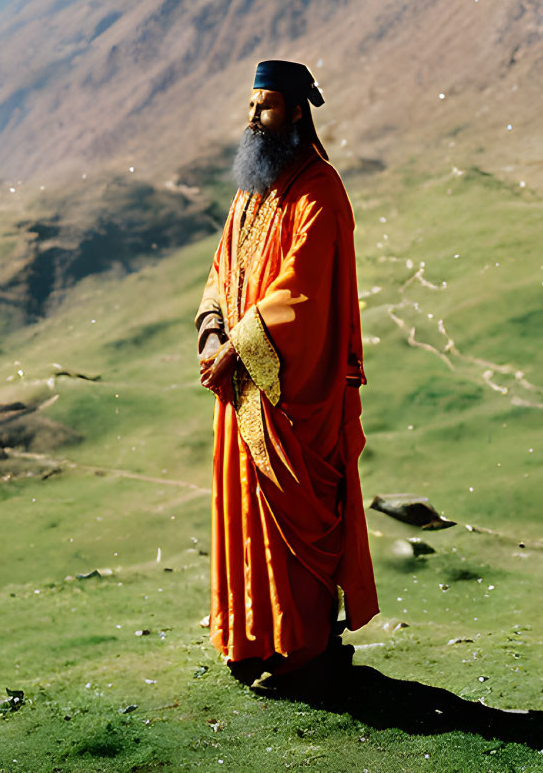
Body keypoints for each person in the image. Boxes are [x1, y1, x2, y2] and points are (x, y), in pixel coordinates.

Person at [195, 59, 378, 686]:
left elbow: (302, 293)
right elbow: (222, 268)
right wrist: (215, 329)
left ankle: (304, 654)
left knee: (285, 524)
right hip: (241, 384)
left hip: (290, 394)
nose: (252, 116)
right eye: (250, 105)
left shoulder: (321, 190)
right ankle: (250, 643)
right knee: (244, 518)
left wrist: (240, 347)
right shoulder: (251, 192)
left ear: (297, 112)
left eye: (265, 106)